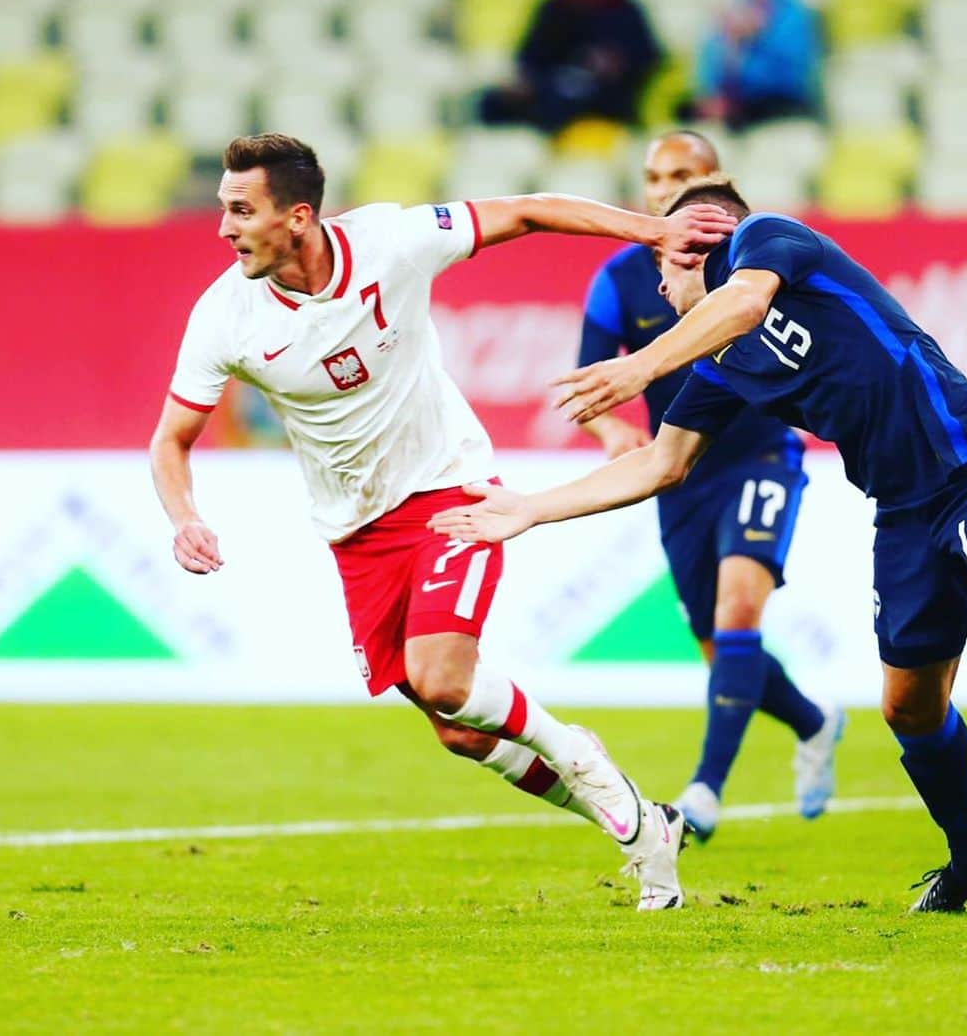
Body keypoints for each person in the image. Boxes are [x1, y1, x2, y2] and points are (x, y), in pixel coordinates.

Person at [148, 133, 738, 910]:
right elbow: (171, 439)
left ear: (296, 216)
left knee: (443, 679)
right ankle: (635, 818)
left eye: (239, 210)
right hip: (354, 531)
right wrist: (184, 515)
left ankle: (587, 763)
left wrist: (652, 228)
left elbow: (527, 211)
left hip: (448, 489)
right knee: (460, 730)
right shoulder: (224, 314)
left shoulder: (390, 242)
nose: (223, 228)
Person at [430, 176, 967, 913]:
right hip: (903, 511)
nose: (656, 284)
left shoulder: (767, 239)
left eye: (662, 263)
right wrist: (531, 510)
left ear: (697, 244)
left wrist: (639, 366)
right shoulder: (720, 366)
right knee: (910, 710)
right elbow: (660, 463)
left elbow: (744, 301)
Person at [575, 131, 842, 840]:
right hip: (678, 469)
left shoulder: (752, 261)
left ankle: (704, 793)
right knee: (721, 647)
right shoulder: (619, 278)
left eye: (680, 175)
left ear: (713, 183)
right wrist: (612, 434)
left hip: (758, 455)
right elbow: (589, 380)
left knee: (738, 611)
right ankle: (814, 721)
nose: (663, 189)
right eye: (654, 176)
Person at [479, 0, 662, 134]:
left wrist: (616, 63)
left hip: (606, 93)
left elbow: (648, 59)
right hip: (553, 85)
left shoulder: (622, 7)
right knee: (492, 102)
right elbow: (531, 56)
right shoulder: (553, 7)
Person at [693, 0, 821, 131]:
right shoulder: (733, 7)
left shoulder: (793, 10)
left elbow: (795, 72)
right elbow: (711, 61)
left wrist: (757, 38)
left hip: (780, 103)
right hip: (738, 106)